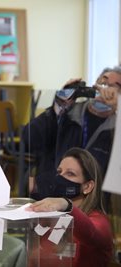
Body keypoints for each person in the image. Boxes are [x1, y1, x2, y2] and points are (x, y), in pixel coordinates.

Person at [23, 66, 121, 202]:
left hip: (89, 205)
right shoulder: (67, 115)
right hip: (48, 198)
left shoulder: (116, 129)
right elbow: (28, 138)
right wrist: (58, 106)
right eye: (103, 83)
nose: (106, 90)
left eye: (114, 87)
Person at [27, 147, 113, 267]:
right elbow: (36, 258)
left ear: (87, 187)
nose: (60, 178)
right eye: (59, 172)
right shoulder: (56, 219)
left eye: (70, 173)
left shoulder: (100, 222)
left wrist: (67, 205)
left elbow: (91, 234)